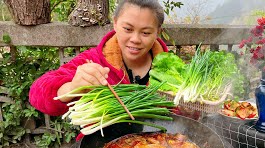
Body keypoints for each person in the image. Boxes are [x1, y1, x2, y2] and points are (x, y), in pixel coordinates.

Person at [29, 0, 168, 117]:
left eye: (145, 32)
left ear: (158, 32)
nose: (135, 39)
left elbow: (179, 115)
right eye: (127, 29)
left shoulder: (171, 69)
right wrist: (73, 87)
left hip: (156, 145)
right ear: (115, 23)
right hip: (101, 143)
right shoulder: (94, 60)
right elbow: (37, 93)